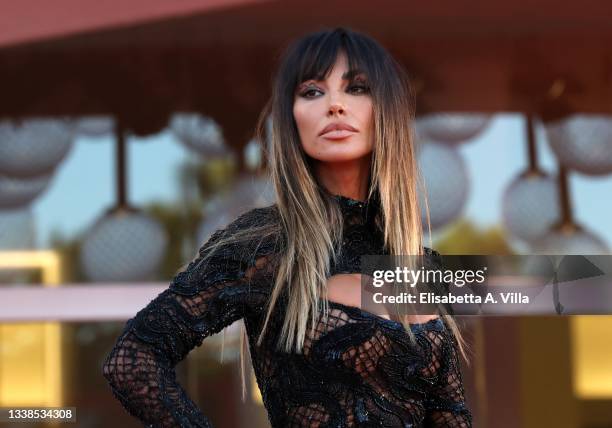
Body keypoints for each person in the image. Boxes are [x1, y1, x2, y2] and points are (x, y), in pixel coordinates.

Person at [102, 27, 473, 427]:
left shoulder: (419, 265)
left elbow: (449, 415)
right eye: (312, 91)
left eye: (357, 88)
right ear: (291, 117)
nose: (334, 105)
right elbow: (133, 359)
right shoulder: (265, 244)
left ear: (386, 110)